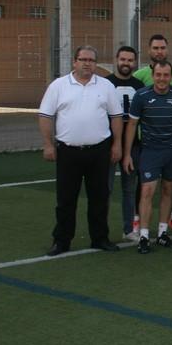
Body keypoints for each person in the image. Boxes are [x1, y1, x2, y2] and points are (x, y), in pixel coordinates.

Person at [38, 46, 123, 256]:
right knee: (66, 199)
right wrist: (48, 144)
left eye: (92, 60)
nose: (87, 63)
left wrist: (117, 144)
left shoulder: (106, 86)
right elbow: (46, 116)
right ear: (74, 62)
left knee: (99, 197)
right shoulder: (59, 86)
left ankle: (100, 238)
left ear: (96, 63)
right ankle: (62, 241)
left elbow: (116, 117)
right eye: (83, 59)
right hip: (68, 152)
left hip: (99, 151)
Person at [123, 60, 172, 254]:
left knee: (168, 190)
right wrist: (127, 154)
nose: (162, 79)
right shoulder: (141, 96)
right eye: (158, 75)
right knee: (147, 192)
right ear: (153, 76)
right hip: (150, 151)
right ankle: (144, 236)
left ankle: (162, 233)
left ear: (171, 76)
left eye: (166, 75)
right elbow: (132, 126)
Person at [133, 34, 172, 234]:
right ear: (149, 50)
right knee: (145, 187)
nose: (159, 51)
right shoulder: (140, 77)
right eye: (155, 48)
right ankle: (139, 223)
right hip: (148, 143)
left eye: (162, 48)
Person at [105, 45, 144, 242]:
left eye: (130, 60)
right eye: (123, 59)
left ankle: (129, 229)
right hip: (108, 145)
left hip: (133, 146)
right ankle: (101, 230)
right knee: (105, 188)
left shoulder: (139, 86)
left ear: (135, 62)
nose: (126, 63)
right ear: (116, 59)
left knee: (129, 189)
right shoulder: (105, 84)